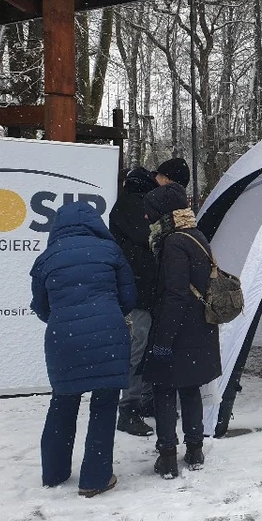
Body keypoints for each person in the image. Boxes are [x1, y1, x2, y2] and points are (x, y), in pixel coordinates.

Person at [30, 202, 136, 497]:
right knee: (104, 406)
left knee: (62, 404)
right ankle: (95, 477)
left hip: (63, 339)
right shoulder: (110, 252)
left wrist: (65, 318)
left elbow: (41, 307)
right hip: (108, 335)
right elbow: (129, 297)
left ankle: (54, 472)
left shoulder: (46, 258)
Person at [142, 182, 222, 478]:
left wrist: (163, 340)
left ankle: (167, 456)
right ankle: (195, 450)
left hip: (178, 329)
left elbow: (175, 294)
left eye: (150, 213)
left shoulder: (174, 242)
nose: (146, 218)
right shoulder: (196, 236)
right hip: (199, 327)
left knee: (164, 391)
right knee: (190, 388)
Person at [109, 166, 159, 436]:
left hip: (143, 288)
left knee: (147, 345)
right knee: (141, 346)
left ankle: (145, 398)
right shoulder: (130, 207)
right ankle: (129, 406)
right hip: (141, 290)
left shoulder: (128, 206)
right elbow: (146, 236)